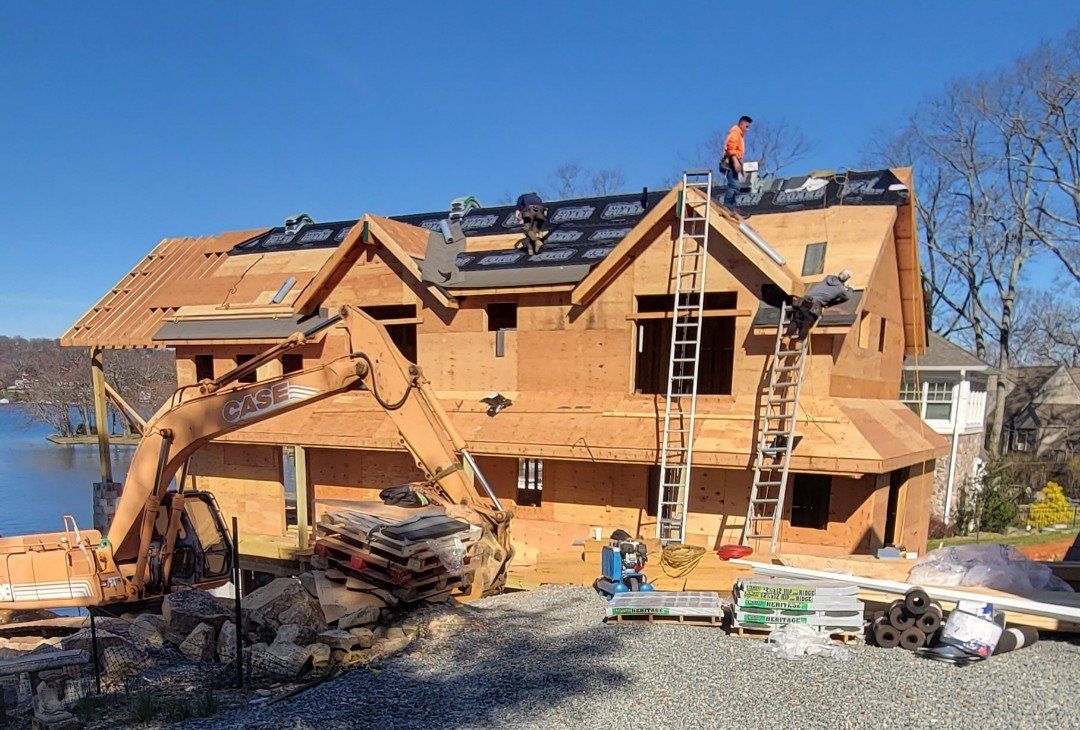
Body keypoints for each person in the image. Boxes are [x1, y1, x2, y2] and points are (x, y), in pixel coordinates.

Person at [786, 269, 853, 340]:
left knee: (796, 319)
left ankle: (787, 336)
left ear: (840, 273)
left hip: (804, 301)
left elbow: (828, 288)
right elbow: (847, 297)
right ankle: (799, 341)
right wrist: (850, 288)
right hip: (814, 305)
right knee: (807, 323)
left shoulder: (829, 277)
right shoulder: (840, 289)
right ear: (847, 279)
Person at [722, 115, 752, 208]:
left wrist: (740, 167)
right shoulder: (735, 132)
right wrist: (735, 161)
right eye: (747, 127)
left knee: (736, 186)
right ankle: (727, 207)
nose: (748, 129)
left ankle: (733, 207)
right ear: (741, 124)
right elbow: (731, 148)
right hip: (730, 162)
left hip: (733, 161)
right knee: (734, 186)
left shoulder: (739, 134)